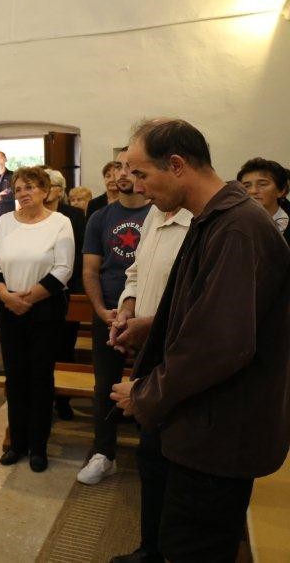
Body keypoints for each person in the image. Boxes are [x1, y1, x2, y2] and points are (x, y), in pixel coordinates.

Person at [111, 119, 290, 561]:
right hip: (201, 424)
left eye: (141, 174)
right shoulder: (214, 219)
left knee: (194, 550)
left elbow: (220, 346)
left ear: (176, 165)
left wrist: (144, 394)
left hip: (220, 432)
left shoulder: (237, 227)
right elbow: (203, 309)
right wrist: (152, 326)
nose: (136, 187)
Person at [108, 201, 192, 563]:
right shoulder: (155, 214)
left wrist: (150, 325)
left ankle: (171, 549)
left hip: (182, 352)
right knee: (150, 454)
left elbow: (198, 303)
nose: (137, 185)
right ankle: (151, 548)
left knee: (176, 458)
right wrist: (127, 309)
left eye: (143, 175)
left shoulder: (201, 222)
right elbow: (136, 273)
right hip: (149, 350)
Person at [0, 166, 74, 473]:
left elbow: (63, 269)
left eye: (30, 187)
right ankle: (17, 443)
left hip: (45, 309)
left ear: (45, 191)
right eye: (19, 188)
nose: (23, 193)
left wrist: (28, 299)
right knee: (15, 376)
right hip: (8, 308)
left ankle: (38, 446)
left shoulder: (60, 223)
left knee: (40, 377)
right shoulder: (5, 222)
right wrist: (6, 296)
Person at [77, 148, 151, 486]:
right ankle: (103, 453)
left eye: (130, 167)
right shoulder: (100, 217)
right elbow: (90, 270)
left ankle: (151, 453)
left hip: (148, 316)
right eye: (118, 166)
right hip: (107, 313)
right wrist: (100, 310)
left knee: (149, 383)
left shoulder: (158, 214)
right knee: (104, 384)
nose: (122, 173)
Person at [44, 169, 87, 421]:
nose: (42, 188)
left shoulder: (74, 215)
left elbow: (81, 252)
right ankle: (42, 398)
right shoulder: (32, 214)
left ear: (59, 190)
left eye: (47, 184)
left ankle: (62, 400)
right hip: (38, 288)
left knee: (64, 347)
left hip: (67, 288)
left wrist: (66, 279)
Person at [237, 157, 290, 244]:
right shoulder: (235, 223)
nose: (253, 191)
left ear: (281, 191)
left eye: (262, 184)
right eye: (247, 186)